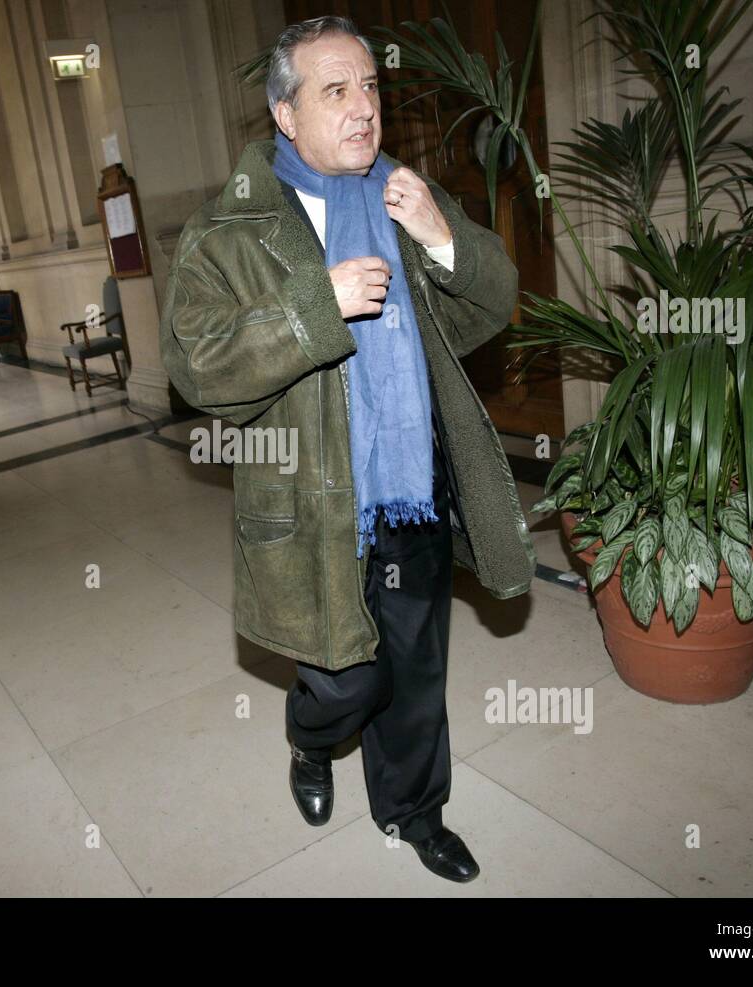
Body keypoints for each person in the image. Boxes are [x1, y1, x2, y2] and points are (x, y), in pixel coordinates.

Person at [159, 15, 535, 883]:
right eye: (336, 91)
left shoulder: (406, 197)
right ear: (285, 115)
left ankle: (414, 811)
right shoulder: (229, 230)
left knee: (415, 675)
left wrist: (442, 236)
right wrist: (311, 305)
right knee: (344, 683)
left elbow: (492, 304)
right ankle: (309, 739)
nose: (364, 109)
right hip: (312, 504)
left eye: (370, 87)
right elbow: (195, 368)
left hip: (410, 488)